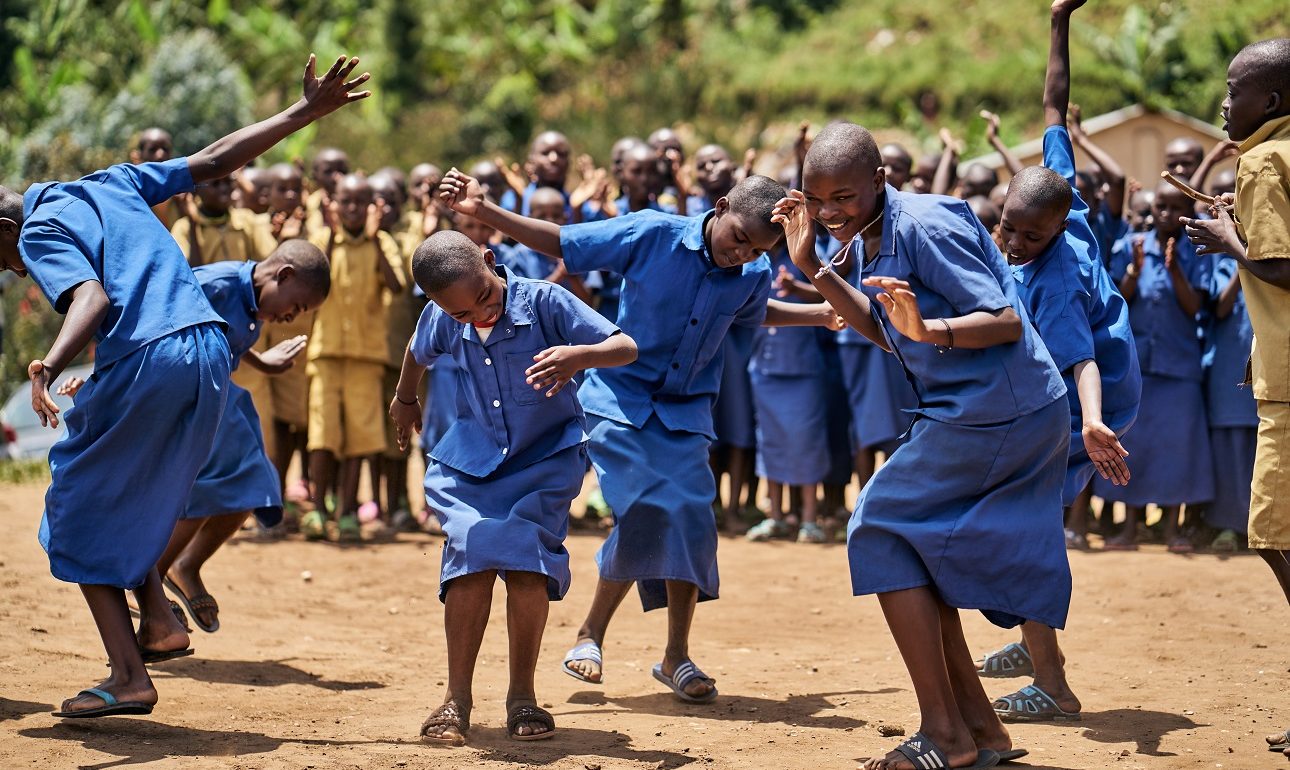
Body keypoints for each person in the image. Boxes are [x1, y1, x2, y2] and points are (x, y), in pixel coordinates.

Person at [0, 52, 368, 719]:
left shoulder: (41, 228)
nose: (16, 270)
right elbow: (214, 160)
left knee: (75, 509)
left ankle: (129, 676)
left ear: (6, 229)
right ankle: (161, 623)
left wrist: (49, 364)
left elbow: (91, 299)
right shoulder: (110, 182)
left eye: (3, 258)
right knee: (132, 495)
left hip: (154, 356)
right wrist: (303, 112)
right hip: (208, 355)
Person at [438, 168, 839, 704]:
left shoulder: (752, 271)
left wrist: (818, 314)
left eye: (756, 250)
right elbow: (563, 242)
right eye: (739, 238)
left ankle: (676, 656)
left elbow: (749, 312)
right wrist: (485, 211)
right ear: (720, 207)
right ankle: (590, 634)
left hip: (685, 409)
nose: (741, 254)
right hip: (619, 400)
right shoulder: (651, 234)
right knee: (645, 508)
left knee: (692, 518)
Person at [775, 77, 1076, 766]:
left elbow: (1002, 320)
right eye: (817, 200)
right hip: (976, 411)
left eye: (844, 197)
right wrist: (813, 266)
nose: (829, 212)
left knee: (877, 528)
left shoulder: (923, 226)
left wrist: (930, 329)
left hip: (1001, 411)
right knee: (912, 552)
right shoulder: (868, 235)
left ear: (879, 181)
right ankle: (981, 732)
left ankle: (944, 734)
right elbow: (887, 333)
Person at [389, 230, 637, 745]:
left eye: (484, 296)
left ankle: (522, 696)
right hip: (473, 461)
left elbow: (625, 346)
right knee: (469, 559)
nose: (480, 314)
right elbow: (417, 350)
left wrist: (578, 356)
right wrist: (405, 399)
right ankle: (456, 698)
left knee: (528, 565)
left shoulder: (545, 301)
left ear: (489, 260)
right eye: (461, 313)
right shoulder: (443, 314)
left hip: (545, 459)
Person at [976, 0, 1140, 727]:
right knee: (1016, 519)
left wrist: (1095, 425)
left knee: (1022, 525)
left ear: (1057, 228)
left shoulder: (1056, 279)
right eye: (1005, 226)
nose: (1012, 242)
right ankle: (1031, 639)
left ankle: (1053, 681)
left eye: (1027, 236)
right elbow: (1054, 102)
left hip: (1089, 400)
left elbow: (1082, 363)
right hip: (1066, 395)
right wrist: (1058, 21)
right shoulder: (1055, 196)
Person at [154, 241, 331, 632]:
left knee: (256, 485)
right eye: (297, 306)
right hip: (190, 397)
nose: (292, 316)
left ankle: (186, 565)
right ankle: (148, 581)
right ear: (283, 275)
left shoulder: (255, 301)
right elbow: (159, 313)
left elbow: (225, 334)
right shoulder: (214, 284)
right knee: (213, 483)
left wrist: (261, 362)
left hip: (219, 399)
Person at [1182, 37, 1290, 606]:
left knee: (1271, 533)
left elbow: (1282, 268)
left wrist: (1229, 241)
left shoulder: (1263, 160)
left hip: (1287, 379)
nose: (1224, 104)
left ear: (1270, 102)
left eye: (1233, 91)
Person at [1098, 184, 1214, 552]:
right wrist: (1134, 272)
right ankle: (1129, 529)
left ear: (1186, 212)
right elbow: (1115, 302)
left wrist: (1175, 269)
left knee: (1178, 449)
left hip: (1179, 367)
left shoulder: (1197, 249)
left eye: (1174, 207)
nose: (1165, 213)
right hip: (1136, 367)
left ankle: (1171, 531)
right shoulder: (1128, 246)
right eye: (1160, 205)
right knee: (1135, 446)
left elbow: (1195, 307)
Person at [303, 173, 405, 542]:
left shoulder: (383, 242)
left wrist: (376, 238)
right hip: (326, 353)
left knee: (360, 439)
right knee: (323, 435)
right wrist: (332, 235)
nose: (352, 209)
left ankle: (346, 511)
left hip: (365, 356)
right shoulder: (322, 240)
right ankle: (317, 509)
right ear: (334, 204)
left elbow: (396, 285)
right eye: (345, 201)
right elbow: (315, 282)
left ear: (371, 207)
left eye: (359, 203)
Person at [744, 250, 830, 543]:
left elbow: (833, 293)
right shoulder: (750, 258)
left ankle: (809, 519)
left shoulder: (808, 255)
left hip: (804, 368)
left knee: (807, 440)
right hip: (764, 369)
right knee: (769, 440)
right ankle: (776, 517)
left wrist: (797, 287)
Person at [501, 130, 573, 216]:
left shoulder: (576, 203)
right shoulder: (512, 200)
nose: (554, 159)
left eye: (561, 154)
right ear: (532, 160)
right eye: (545, 153)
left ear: (569, 162)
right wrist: (519, 203)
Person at [304, 147, 351, 234]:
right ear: (315, 175)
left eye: (342, 171)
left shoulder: (357, 205)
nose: (337, 177)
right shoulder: (306, 205)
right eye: (328, 171)